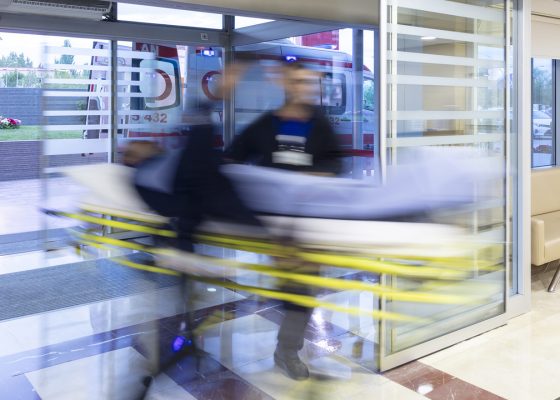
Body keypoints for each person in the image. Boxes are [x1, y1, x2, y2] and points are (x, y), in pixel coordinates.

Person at [225, 61, 343, 380]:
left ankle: (287, 348)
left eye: (310, 82)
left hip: (309, 219)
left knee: (303, 289)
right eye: (299, 82)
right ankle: (287, 349)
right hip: (278, 224)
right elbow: (233, 156)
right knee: (296, 288)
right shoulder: (266, 125)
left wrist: (317, 176)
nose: (306, 88)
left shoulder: (320, 124)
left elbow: (336, 161)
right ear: (286, 85)